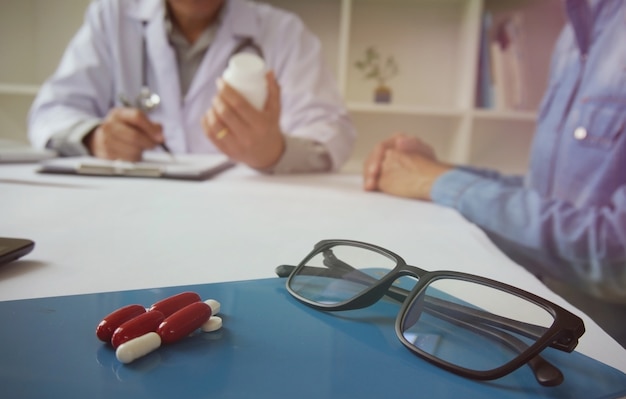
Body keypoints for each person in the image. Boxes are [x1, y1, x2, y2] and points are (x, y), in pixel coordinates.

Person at [363, 0, 626, 346]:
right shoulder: (573, 34)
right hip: (536, 319)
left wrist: (436, 181)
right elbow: (547, 198)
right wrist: (434, 172)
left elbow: (617, 259)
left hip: (603, 353)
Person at [28, 0, 355, 173]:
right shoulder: (110, 16)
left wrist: (274, 151)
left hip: (243, 212)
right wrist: (95, 136)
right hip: (128, 207)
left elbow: (332, 133)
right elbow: (51, 111)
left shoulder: (282, 31)